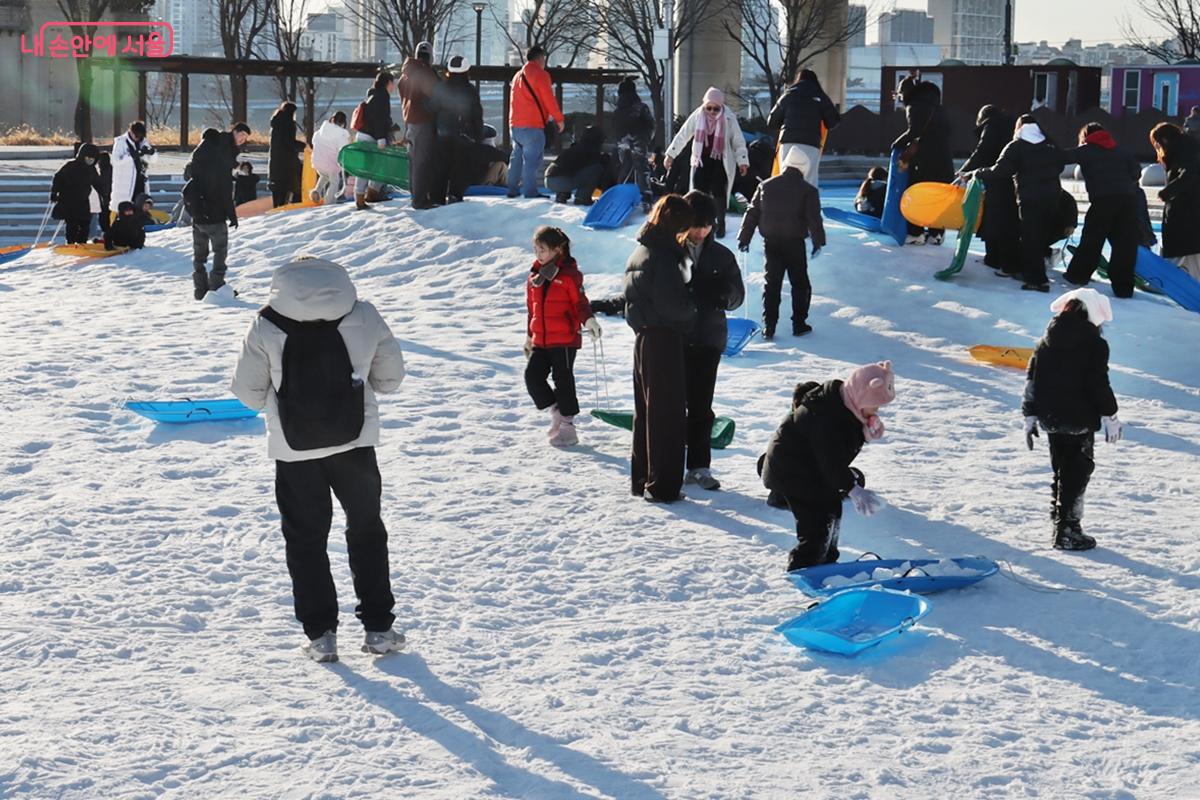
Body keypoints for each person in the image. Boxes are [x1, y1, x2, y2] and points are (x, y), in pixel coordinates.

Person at [231, 257, 408, 663]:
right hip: (355, 444)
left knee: (305, 539)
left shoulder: (266, 323)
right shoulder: (363, 314)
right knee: (366, 530)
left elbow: (247, 392)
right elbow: (391, 378)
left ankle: (321, 634)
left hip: (294, 450)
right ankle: (379, 628)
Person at [761, 362, 894, 571]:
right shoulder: (827, 417)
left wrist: (865, 429)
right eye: (875, 405)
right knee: (816, 524)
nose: (876, 411)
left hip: (811, 469)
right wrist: (854, 490)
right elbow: (830, 461)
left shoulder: (846, 406)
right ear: (862, 396)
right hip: (792, 472)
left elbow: (834, 457)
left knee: (832, 510)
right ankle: (802, 568)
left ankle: (827, 563)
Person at [1022, 288, 1121, 552]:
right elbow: (1098, 383)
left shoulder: (1045, 341)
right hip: (1079, 417)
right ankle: (1068, 530)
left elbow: (1032, 379)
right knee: (1077, 471)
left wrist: (1029, 413)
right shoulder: (1094, 344)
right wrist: (1110, 413)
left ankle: (1059, 520)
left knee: (1061, 469)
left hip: (1051, 416)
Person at [624, 195, 696, 503]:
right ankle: (663, 486)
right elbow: (671, 305)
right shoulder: (665, 256)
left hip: (643, 337)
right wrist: (693, 308)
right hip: (664, 338)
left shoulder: (642, 250)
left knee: (646, 414)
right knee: (667, 415)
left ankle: (642, 479)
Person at [681, 191, 743, 490]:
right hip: (676, 337)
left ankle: (699, 466)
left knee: (701, 405)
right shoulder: (671, 251)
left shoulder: (721, 256)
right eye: (696, 224)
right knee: (672, 403)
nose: (701, 231)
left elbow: (737, 296)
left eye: (707, 225)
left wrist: (723, 293)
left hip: (707, 338)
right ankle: (668, 461)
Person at [523, 226, 601, 447]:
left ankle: (568, 427)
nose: (539, 255)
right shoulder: (534, 278)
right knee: (532, 377)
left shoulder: (569, 276)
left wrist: (589, 320)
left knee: (563, 381)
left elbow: (580, 303)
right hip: (541, 339)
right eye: (536, 250)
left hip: (565, 339)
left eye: (543, 250)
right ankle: (556, 410)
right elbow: (532, 310)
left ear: (558, 250)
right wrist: (529, 336)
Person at [737, 148, 826, 339]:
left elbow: (752, 212)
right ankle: (799, 323)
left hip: (771, 242)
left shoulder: (766, 186)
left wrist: (744, 238)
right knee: (800, 283)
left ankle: (769, 325)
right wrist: (818, 241)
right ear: (804, 167)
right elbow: (813, 218)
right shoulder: (808, 191)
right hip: (795, 243)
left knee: (772, 283)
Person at [968, 115, 1064, 292]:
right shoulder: (1049, 144)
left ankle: (1037, 280)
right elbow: (1060, 165)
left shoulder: (1016, 146)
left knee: (1031, 239)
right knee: (1040, 237)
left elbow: (1000, 171)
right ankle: (1038, 273)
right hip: (1052, 197)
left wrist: (978, 172)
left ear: (1018, 128)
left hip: (1030, 198)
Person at [1060, 123, 1142, 298]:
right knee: (1124, 245)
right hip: (1128, 200)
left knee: (1092, 239)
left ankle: (1077, 276)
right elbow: (1137, 172)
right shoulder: (1122, 150)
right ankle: (1124, 287)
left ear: (1086, 136)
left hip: (1103, 200)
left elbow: (1061, 157)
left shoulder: (1085, 150)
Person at [663, 88, 749, 238]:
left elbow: (738, 141)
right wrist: (670, 155)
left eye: (716, 108)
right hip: (700, 160)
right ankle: (696, 221)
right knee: (697, 192)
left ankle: (719, 222)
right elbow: (683, 135)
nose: (712, 111)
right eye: (708, 107)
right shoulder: (698, 115)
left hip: (720, 160)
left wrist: (742, 161)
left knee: (718, 192)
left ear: (721, 106)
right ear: (704, 106)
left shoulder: (729, 118)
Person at [183, 122, 251, 300]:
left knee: (199, 256)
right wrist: (232, 215)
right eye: (242, 135)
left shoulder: (202, 155)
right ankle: (216, 287)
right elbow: (224, 191)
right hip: (215, 215)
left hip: (198, 214)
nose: (242, 140)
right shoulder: (221, 160)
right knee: (220, 253)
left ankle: (200, 289)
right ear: (234, 132)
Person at [892, 75, 953, 245]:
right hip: (944, 159)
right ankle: (937, 234)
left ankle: (916, 233)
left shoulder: (914, 106)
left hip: (925, 161)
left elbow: (914, 131)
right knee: (937, 196)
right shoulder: (939, 108)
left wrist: (897, 144)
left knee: (918, 195)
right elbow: (948, 131)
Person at [959, 104, 1019, 276]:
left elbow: (982, 152)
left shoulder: (992, 126)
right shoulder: (1011, 124)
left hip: (997, 178)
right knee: (1005, 220)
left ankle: (997, 260)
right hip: (1012, 179)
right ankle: (994, 258)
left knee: (995, 219)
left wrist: (965, 171)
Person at [766, 68, 840, 188]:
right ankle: (807, 205)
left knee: (785, 177)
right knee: (809, 180)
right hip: (811, 143)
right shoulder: (820, 95)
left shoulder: (788, 94)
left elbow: (772, 122)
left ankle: (785, 205)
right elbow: (833, 121)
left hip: (788, 143)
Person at [508, 46, 564, 199]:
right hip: (533, 126)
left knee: (516, 158)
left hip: (515, 125)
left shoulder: (517, 75)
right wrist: (559, 119)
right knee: (532, 161)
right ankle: (530, 192)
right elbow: (548, 99)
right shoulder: (541, 75)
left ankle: (512, 189)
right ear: (540, 59)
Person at [1150, 122, 1200, 280]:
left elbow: (1188, 175)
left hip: (1187, 212)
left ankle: (1171, 278)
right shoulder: (1186, 148)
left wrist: (1167, 192)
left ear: (1164, 140)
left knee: (1186, 251)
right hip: (1187, 211)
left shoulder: (1186, 151)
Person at [433, 55, 484, 204]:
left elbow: (432, 107)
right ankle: (455, 195)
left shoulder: (441, 87)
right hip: (463, 134)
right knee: (459, 167)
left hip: (442, 133)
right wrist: (478, 135)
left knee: (441, 167)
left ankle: (437, 197)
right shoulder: (470, 90)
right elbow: (476, 114)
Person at [399, 42, 441, 209]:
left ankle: (414, 195)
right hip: (424, 121)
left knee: (413, 160)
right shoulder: (425, 73)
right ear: (430, 56)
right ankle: (420, 200)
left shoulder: (405, 75)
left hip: (409, 122)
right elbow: (436, 95)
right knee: (422, 161)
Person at [50, 142, 104, 244]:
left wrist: (105, 194)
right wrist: (54, 192)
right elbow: (58, 178)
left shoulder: (91, 170)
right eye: (87, 158)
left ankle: (81, 243)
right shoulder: (70, 166)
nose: (89, 161)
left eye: (92, 159)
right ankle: (70, 242)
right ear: (82, 156)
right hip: (69, 201)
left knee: (85, 223)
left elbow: (97, 183)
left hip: (83, 201)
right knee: (72, 224)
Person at [613, 78, 656, 204]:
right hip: (639, 141)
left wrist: (621, 140)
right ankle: (645, 197)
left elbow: (615, 128)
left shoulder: (618, 110)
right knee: (641, 168)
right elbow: (650, 125)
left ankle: (619, 193)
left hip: (623, 142)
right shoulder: (641, 107)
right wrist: (646, 139)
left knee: (625, 166)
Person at [545, 126, 607, 205]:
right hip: (561, 180)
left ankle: (562, 195)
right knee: (596, 169)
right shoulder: (590, 149)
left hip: (549, 179)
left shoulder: (576, 147)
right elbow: (594, 168)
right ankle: (582, 198)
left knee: (574, 170)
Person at [268, 101, 305, 208]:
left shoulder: (275, 123)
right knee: (291, 188)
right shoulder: (288, 124)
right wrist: (303, 146)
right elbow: (289, 142)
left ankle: (276, 213)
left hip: (275, 161)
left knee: (277, 192)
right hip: (287, 163)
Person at [111, 120, 155, 207]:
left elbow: (152, 160)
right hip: (125, 184)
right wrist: (132, 156)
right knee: (126, 209)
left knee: (141, 208)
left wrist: (151, 153)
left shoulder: (143, 142)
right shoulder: (121, 142)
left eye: (140, 136)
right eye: (136, 135)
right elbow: (116, 161)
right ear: (131, 131)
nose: (138, 138)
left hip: (140, 181)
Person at [310, 111, 351, 206]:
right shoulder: (341, 134)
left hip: (317, 162)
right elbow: (344, 149)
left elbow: (314, 141)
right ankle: (329, 202)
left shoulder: (320, 131)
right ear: (343, 123)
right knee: (335, 181)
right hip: (330, 165)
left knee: (324, 175)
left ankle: (316, 191)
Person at [95, 151, 113, 235]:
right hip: (107, 199)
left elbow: (104, 185)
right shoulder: (110, 170)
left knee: (104, 220)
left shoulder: (104, 171)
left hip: (106, 200)